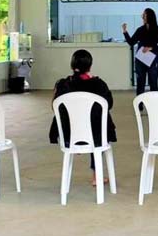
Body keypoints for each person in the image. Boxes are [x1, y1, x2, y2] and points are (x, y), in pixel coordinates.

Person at [49, 49, 117, 183]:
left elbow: (54, 106)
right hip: (95, 136)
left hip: (69, 135)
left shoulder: (63, 84)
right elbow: (109, 104)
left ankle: (77, 142)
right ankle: (96, 176)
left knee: (89, 124)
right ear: (90, 66)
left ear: (72, 66)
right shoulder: (99, 85)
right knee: (96, 124)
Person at [122, 8, 158, 96]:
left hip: (153, 60)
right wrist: (125, 31)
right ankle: (140, 102)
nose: (142, 17)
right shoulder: (140, 29)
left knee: (153, 83)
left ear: (150, 16)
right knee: (140, 83)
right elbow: (131, 42)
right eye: (143, 15)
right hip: (140, 59)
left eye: (144, 15)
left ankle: (154, 102)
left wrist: (151, 48)